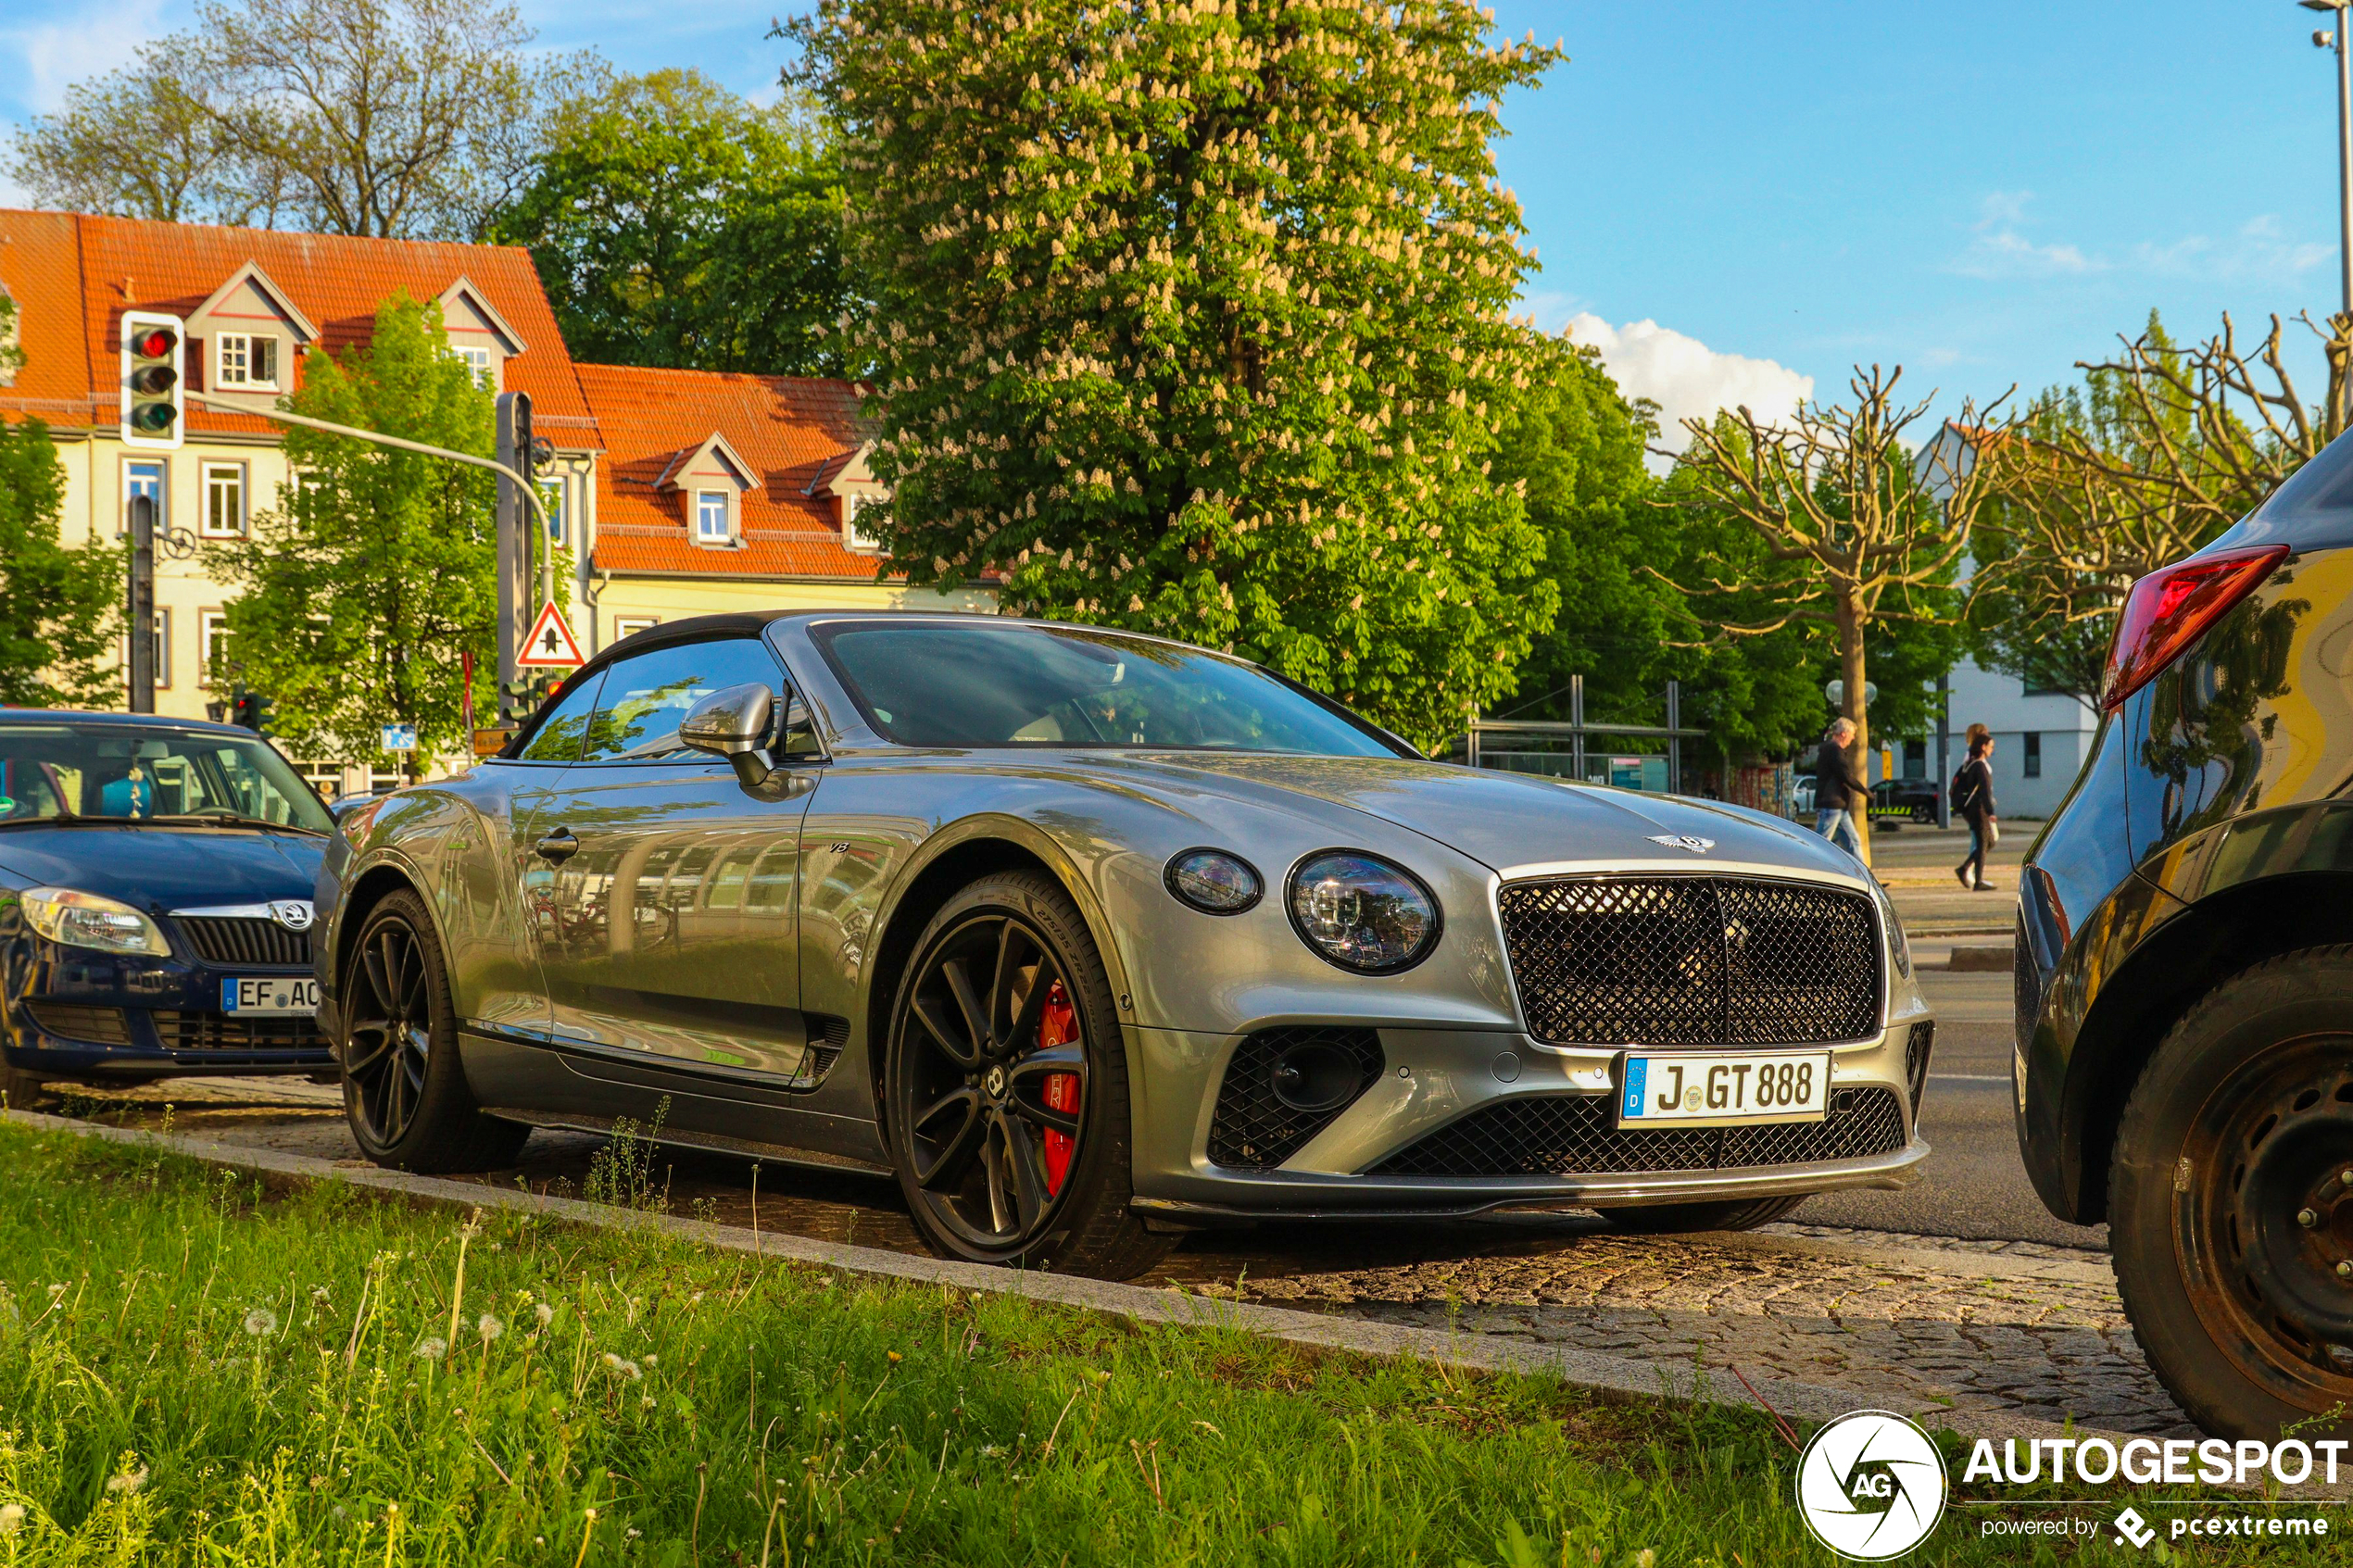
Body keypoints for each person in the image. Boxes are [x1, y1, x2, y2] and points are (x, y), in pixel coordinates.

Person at [1954, 723, 1999, 891]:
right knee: (1982, 842)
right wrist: (1990, 812)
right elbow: (1985, 790)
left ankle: (1967, 870)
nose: (1992, 749)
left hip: (1972, 808)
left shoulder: (1970, 762)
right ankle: (1972, 876)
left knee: (1987, 841)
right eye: (1990, 746)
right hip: (1978, 809)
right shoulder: (1979, 765)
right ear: (1983, 745)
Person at [1812, 718, 1867, 856]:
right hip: (1831, 804)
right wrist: (1866, 792)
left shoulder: (1829, 750)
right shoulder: (1834, 751)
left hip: (1838, 806)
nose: (1853, 738)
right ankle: (1809, 870)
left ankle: (1862, 875)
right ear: (1843, 734)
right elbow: (1846, 776)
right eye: (1852, 734)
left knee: (1853, 842)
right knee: (1821, 844)